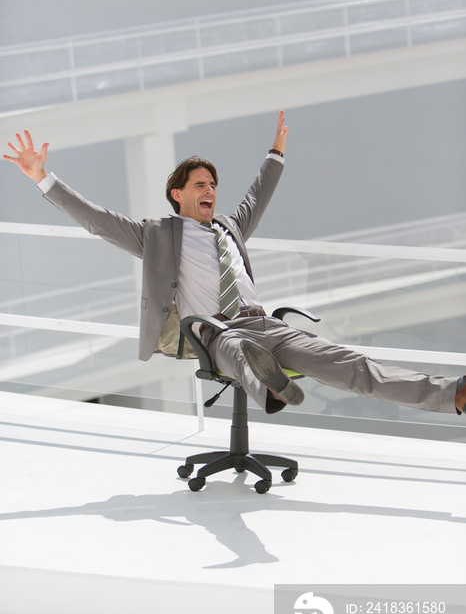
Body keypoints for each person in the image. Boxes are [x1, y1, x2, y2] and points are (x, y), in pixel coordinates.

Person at [4, 111, 466, 417]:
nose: (210, 191)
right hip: (212, 330)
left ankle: (453, 394)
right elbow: (97, 221)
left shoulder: (230, 227)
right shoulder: (157, 235)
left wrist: (276, 153)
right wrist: (43, 177)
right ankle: (267, 387)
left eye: (213, 185)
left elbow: (257, 195)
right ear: (177, 194)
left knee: (353, 365)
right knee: (239, 351)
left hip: (267, 325)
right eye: (200, 184)